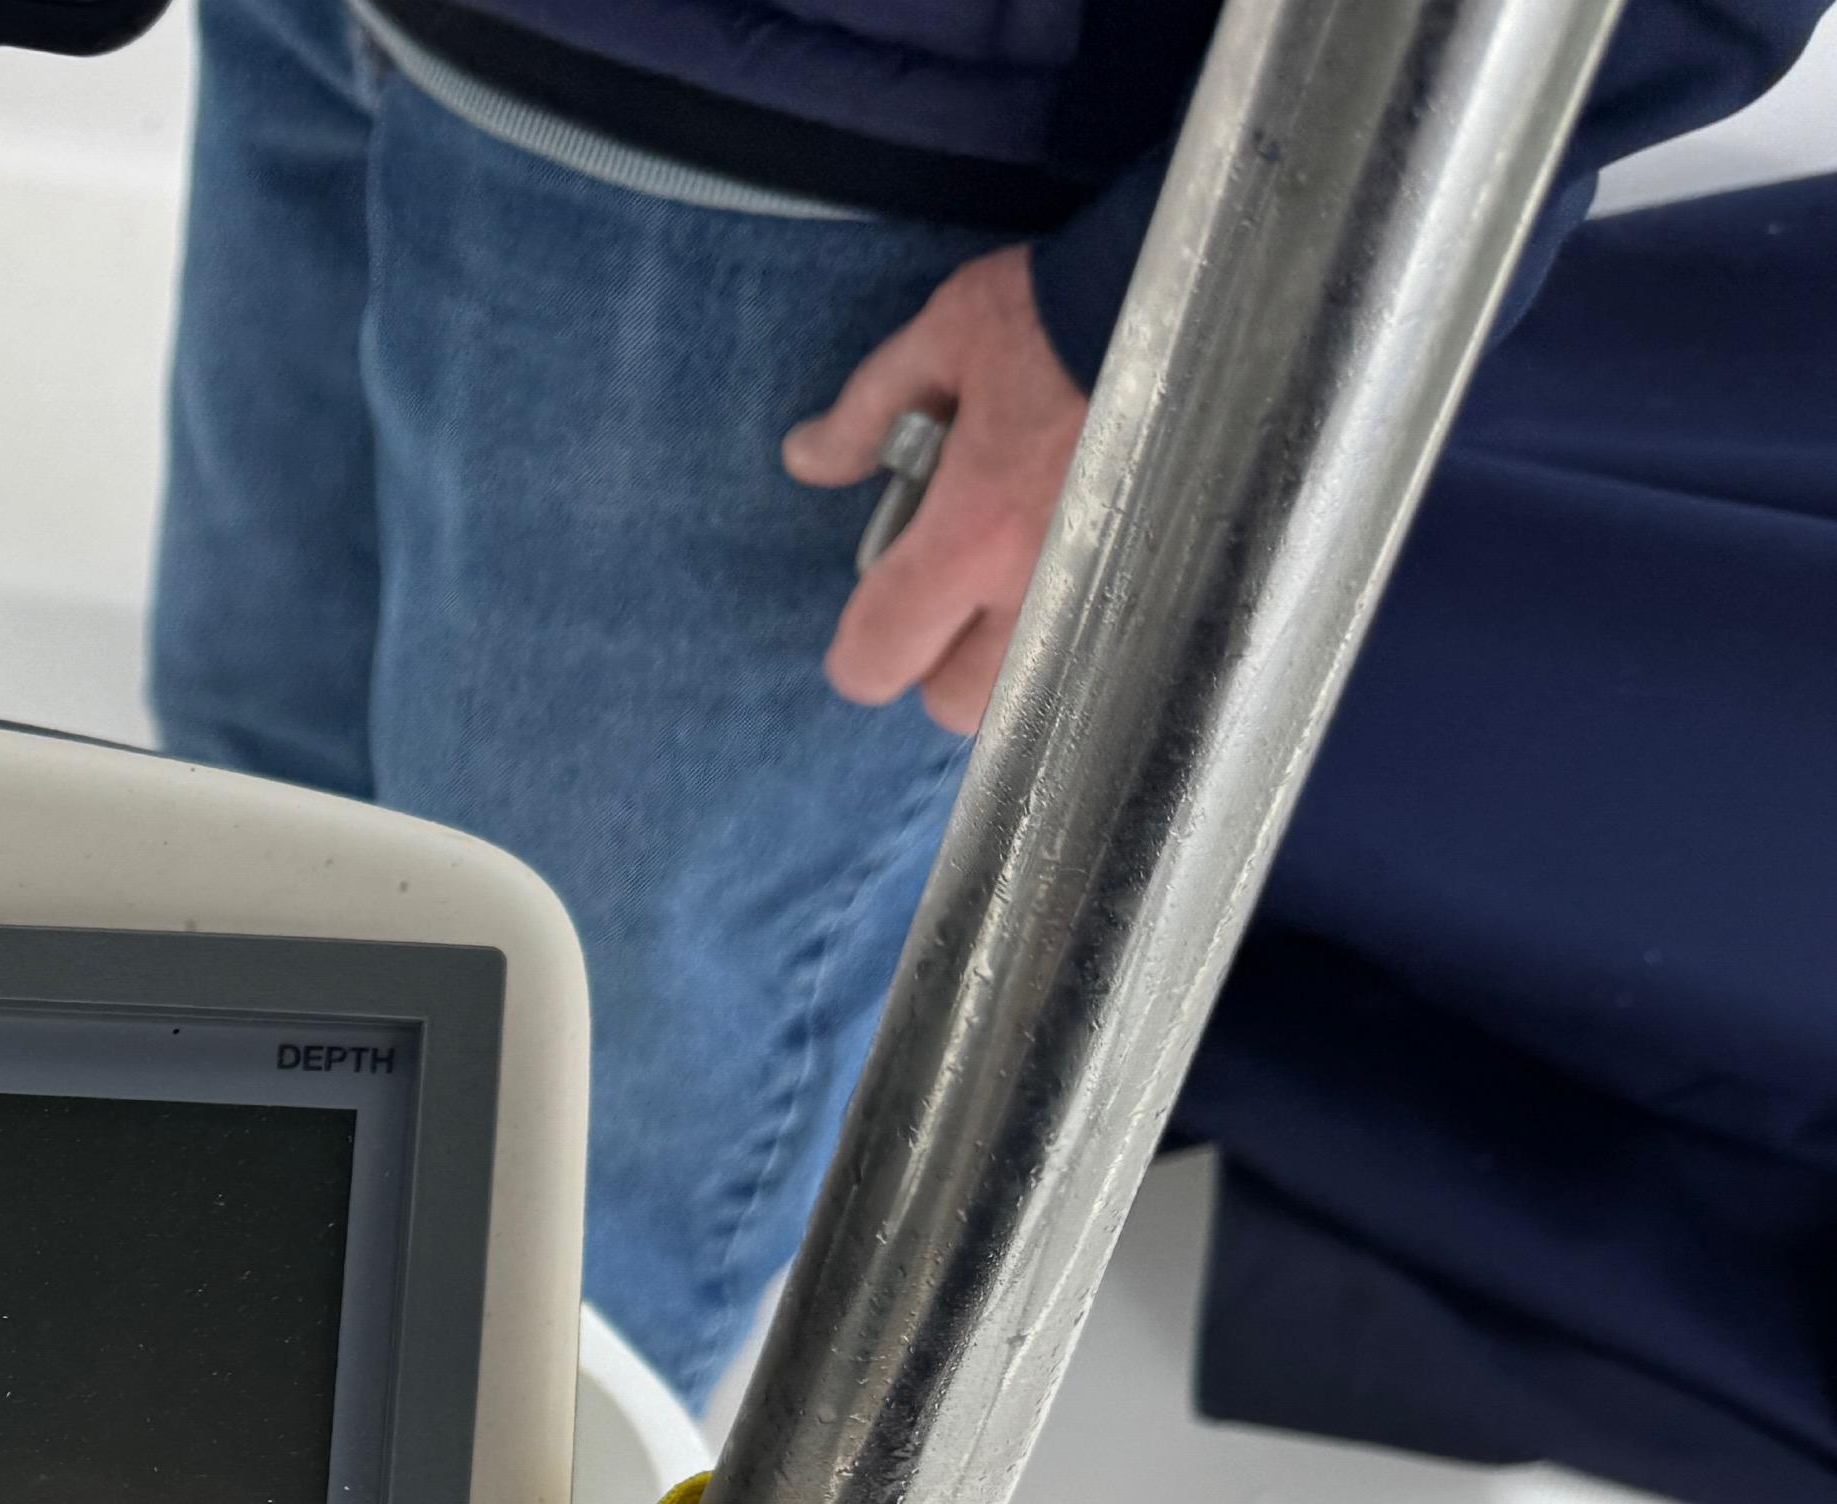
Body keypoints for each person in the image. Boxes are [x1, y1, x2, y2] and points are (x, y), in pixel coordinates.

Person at [148, 0, 1828, 1402]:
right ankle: (239, 1430)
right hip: (366, 26)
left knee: (554, 1179)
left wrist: (1201, 314)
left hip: (835, 159)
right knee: (255, 817)